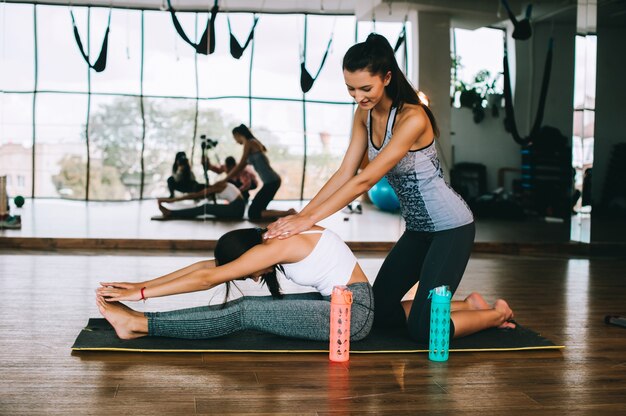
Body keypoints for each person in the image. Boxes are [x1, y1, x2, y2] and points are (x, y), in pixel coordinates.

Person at [263, 33, 515, 343]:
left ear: (387, 77)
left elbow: (366, 179)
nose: (359, 97)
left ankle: (496, 314)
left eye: (366, 88)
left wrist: (306, 220)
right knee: (375, 313)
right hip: (418, 231)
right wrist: (302, 215)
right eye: (351, 89)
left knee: (424, 331)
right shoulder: (363, 114)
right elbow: (346, 172)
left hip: (451, 229)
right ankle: (468, 306)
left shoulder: (412, 118)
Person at [95, 226, 374, 341]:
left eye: (246, 272)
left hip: (351, 316)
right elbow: (208, 268)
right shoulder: (272, 238)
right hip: (340, 303)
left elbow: (206, 279)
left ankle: (138, 325)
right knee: (243, 305)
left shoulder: (275, 246)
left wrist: (142, 293)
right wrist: (141, 285)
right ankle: (143, 320)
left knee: (246, 312)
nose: (253, 276)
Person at [217, 124, 295, 220]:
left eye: (234, 138)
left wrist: (225, 180)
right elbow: (241, 166)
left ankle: (289, 213)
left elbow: (241, 165)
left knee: (254, 213)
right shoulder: (252, 142)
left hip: (272, 181)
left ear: (238, 134)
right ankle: (289, 213)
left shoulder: (249, 143)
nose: (235, 141)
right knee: (255, 211)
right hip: (272, 181)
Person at [157, 181, 246, 220]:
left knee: (205, 208)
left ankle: (171, 213)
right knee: (206, 207)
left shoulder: (217, 186)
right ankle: (172, 213)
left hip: (237, 208)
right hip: (238, 208)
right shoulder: (219, 186)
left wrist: (170, 200)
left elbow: (194, 195)